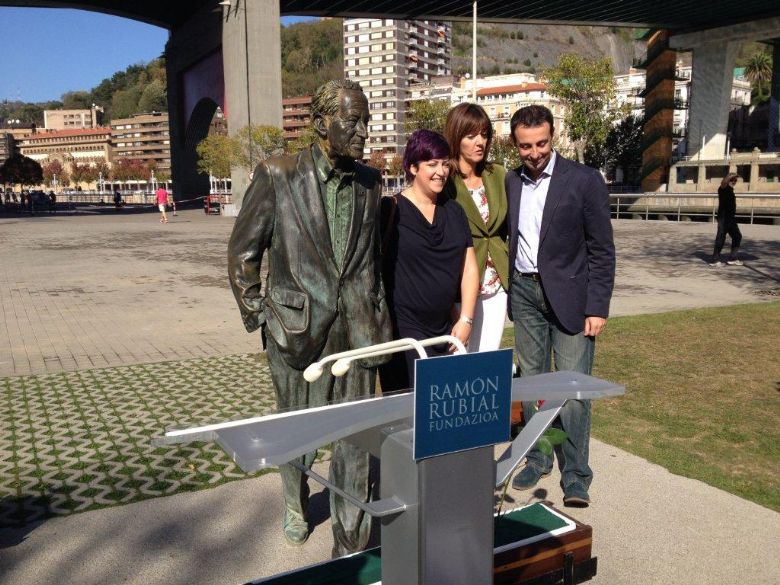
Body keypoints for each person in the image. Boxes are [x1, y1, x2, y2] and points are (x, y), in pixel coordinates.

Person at [228, 79, 391, 556]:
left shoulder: (371, 182)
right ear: (322, 122)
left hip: (357, 328)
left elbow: (372, 256)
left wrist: (374, 304)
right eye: (353, 120)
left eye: (366, 121)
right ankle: (295, 503)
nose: (363, 130)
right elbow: (243, 254)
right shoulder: (277, 175)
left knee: (354, 438)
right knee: (298, 431)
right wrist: (261, 314)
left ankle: (351, 540)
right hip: (294, 329)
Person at [506, 105, 615, 508]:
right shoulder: (511, 181)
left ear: (552, 137)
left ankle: (576, 474)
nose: (534, 153)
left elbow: (602, 249)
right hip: (524, 294)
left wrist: (597, 306)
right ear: (515, 144)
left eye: (541, 143)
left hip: (572, 300)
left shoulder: (584, 180)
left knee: (572, 392)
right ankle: (538, 457)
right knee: (533, 386)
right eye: (526, 146)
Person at [379, 129, 479, 392]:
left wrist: (466, 320)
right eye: (432, 164)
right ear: (413, 167)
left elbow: (469, 268)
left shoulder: (454, 211)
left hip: (446, 332)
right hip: (403, 333)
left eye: (445, 164)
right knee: (408, 407)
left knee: (443, 406)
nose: (441, 172)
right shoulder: (390, 210)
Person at [443, 103, 509, 353]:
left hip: (496, 285)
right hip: (458, 287)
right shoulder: (445, 180)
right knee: (458, 359)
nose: (480, 142)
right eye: (471, 136)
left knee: (488, 357)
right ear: (456, 137)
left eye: (484, 134)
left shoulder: (498, 175)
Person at [710, 173, 743, 266]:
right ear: (728, 180)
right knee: (721, 237)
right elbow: (724, 182)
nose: (734, 182)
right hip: (723, 218)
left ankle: (733, 258)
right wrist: (730, 176)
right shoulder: (723, 189)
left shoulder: (731, 190)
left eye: (735, 180)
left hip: (731, 218)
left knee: (737, 236)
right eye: (732, 180)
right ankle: (715, 260)